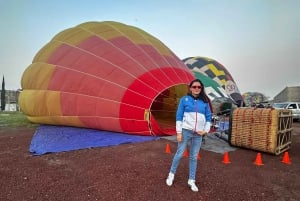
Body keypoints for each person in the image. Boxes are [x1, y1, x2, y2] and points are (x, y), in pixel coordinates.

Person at [165, 79, 212, 192]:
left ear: (201, 89)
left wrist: (205, 131)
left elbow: (209, 117)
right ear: (190, 88)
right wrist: (179, 132)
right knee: (179, 153)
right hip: (186, 131)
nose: (196, 89)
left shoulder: (205, 102)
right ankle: (171, 174)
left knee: (193, 157)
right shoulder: (184, 100)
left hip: (198, 134)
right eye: (194, 87)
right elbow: (179, 116)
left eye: (199, 87)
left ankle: (191, 180)